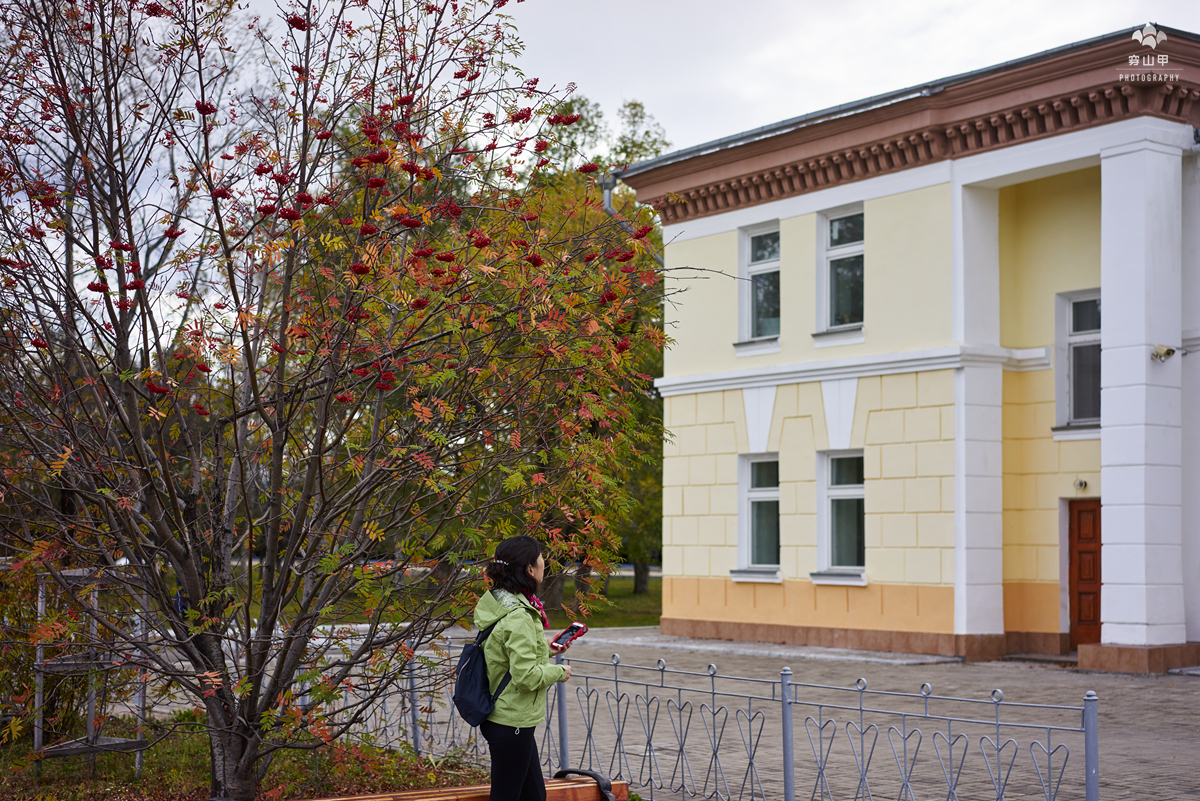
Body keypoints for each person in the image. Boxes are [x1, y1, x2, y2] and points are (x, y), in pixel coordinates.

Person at [474, 536, 573, 801]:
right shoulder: (519, 615)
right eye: (540, 557)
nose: (543, 562)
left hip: (507, 717)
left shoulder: (500, 601)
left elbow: (503, 653)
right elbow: (526, 677)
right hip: (511, 721)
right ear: (529, 569)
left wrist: (546, 649)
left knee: (534, 795)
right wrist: (560, 672)